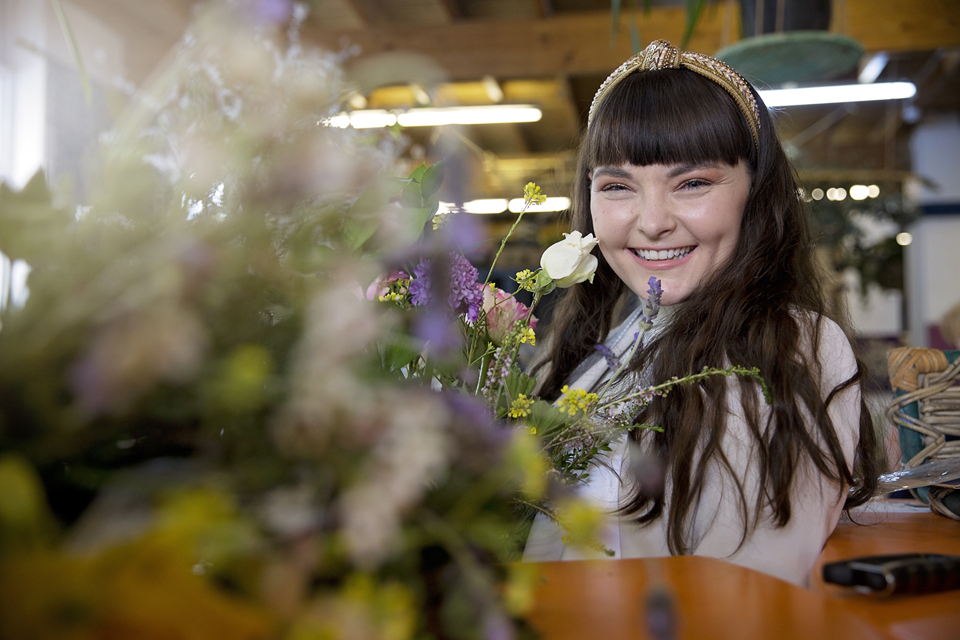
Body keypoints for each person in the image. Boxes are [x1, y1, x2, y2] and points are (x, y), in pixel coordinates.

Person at [523, 40, 880, 587]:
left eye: (691, 183)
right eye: (618, 186)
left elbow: (748, 586)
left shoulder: (794, 347)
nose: (652, 222)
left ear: (755, 194)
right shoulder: (605, 349)